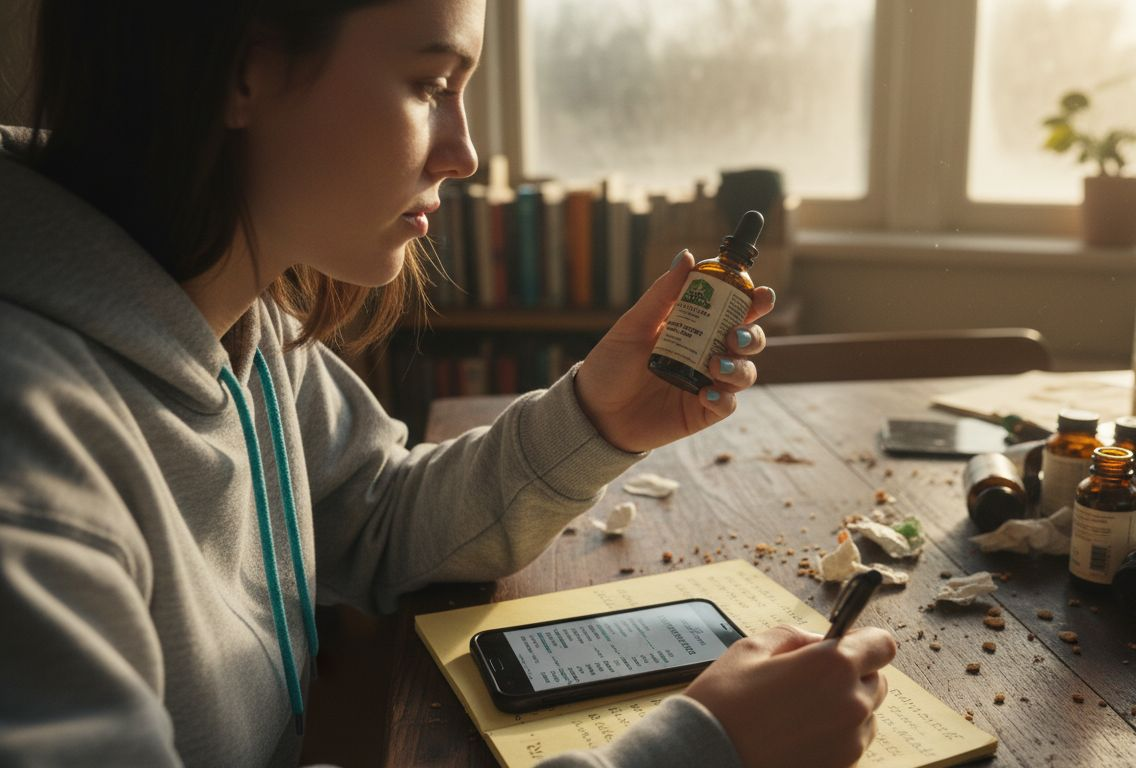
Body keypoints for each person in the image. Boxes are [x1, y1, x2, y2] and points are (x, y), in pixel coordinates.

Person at [0, 1, 896, 766]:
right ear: (244, 71)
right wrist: (703, 748)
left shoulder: (233, 309)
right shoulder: (33, 462)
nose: (463, 153)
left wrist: (597, 417)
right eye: (432, 86)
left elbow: (378, 518)